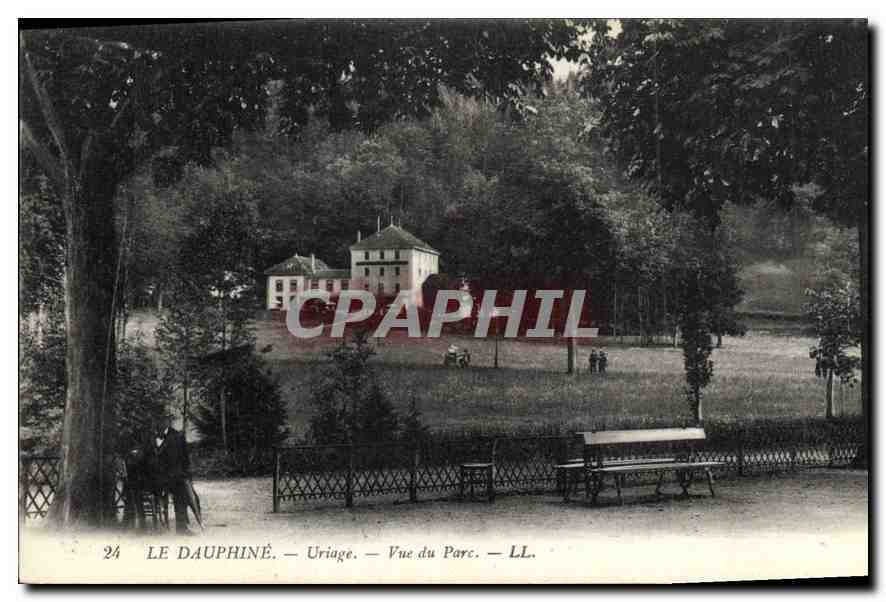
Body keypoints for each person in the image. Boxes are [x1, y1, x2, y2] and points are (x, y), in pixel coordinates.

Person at [146, 415, 193, 535]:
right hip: (153, 478)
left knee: (181, 490)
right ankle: (144, 525)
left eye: (163, 419)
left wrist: (184, 475)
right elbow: (144, 457)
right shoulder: (148, 436)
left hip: (172, 477)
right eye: (157, 419)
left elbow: (185, 460)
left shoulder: (177, 436)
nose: (159, 423)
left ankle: (182, 527)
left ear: (168, 421)